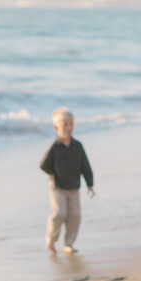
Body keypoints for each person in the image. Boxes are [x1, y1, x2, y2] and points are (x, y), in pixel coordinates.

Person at [40, 107, 94, 255]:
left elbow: (85, 166)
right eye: (65, 125)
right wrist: (54, 175)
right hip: (58, 187)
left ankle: (68, 243)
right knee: (60, 214)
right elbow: (43, 165)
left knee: (75, 215)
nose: (68, 128)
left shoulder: (78, 146)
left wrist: (90, 184)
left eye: (71, 124)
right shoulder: (55, 147)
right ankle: (51, 240)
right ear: (56, 128)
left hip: (74, 188)